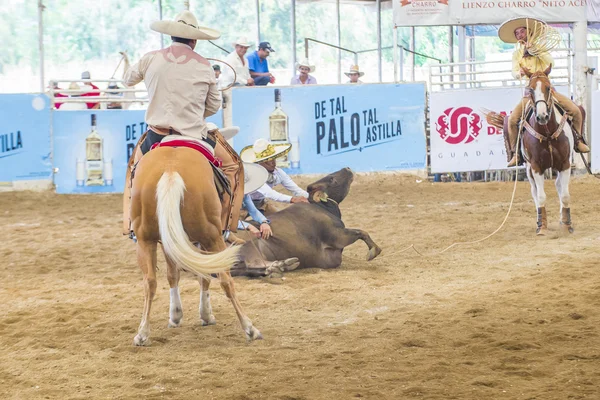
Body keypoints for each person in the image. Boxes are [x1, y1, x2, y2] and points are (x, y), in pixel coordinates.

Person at [122, 10, 244, 241]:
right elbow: (214, 105)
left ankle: (131, 225)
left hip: (155, 135)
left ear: (171, 36)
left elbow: (127, 80)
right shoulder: (204, 65)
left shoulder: (150, 58)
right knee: (234, 168)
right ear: (194, 40)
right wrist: (195, 113)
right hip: (193, 136)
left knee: (133, 170)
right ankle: (226, 226)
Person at [498, 17, 590, 167]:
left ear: (530, 32)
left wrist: (535, 50)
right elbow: (514, 72)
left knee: (575, 110)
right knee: (513, 119)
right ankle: (515, 153)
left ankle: (578, 140)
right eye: (517, 33)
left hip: (548, 91)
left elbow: (550, 63)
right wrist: (519, 72)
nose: (520, 34)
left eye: (522, 31)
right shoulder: (517, 54)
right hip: (530, 94)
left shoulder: (541, 48)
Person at [240, 139, 309, 213]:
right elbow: (269, 193)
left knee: (282, 219)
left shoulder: (278, 172)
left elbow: (295, 189)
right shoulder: (253, 174)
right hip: (243, 208)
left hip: (262, 204)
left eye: (274, 158)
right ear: (260, 163)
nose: (273, 162)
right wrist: (293, 199)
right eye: (268, 160)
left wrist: (309, 196)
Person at [237, 163, 273, 240]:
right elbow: (222, 219)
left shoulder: (245, 195)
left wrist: (264, 222)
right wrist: (248, 226)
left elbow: (253, 211)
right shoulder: (222, 195)